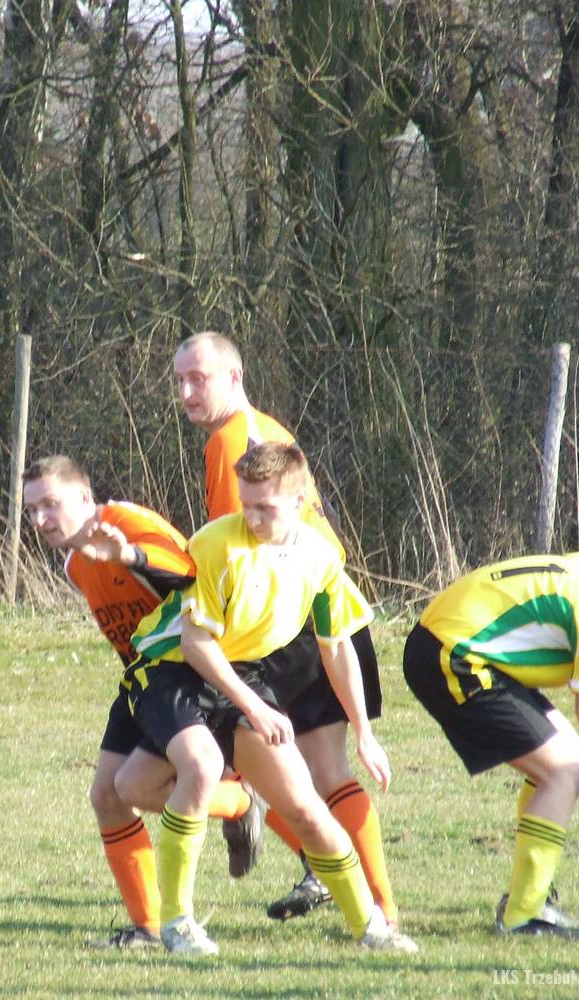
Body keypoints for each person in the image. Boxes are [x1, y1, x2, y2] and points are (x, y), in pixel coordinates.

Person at [119, 442, 417, 955]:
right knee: (188, 770)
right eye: (246, 504)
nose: (252, 517)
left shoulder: (321, 557)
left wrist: (365, 735)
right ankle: (177, 924)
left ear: (299, 501)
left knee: (303, 806)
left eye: (265, 507)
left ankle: (371, 928)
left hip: (240, 670)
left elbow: (337, 645)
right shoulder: (217, 544)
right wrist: (256, 709)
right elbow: (195, 643)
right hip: (170, 669)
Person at [173, 331, 397, 926]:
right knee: (312, 770)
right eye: (180, 380)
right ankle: (368, 900)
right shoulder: (265, 428)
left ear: (235, 377)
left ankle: (360, 894)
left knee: (268, 765)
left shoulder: (231, 441)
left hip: (291, 616)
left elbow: (237, 554)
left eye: (199, 378)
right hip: (315, 605)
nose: (186, 392)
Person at [21, 455, 267, 950]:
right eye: (31, 510)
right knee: (109, 796)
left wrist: (129, 555)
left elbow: (185, 568)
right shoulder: (74, 562)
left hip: (183, 674)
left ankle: (246, 807)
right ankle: (149, 927)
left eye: (50, 504)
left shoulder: (124, 521)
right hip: (142, 677)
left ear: (84, 498)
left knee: (177, 778)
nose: (41, 519)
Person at [403, 545, 579, 936]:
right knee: (562, 772)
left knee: (565, 753)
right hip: (453, 654)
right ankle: (523, 913)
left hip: (447, 640)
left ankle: (531, 895)